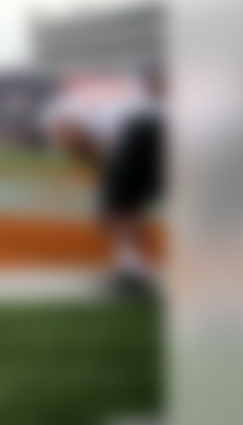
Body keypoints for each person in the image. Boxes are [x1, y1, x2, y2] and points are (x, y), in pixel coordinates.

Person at [43, 68, 166, 295]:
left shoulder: (63, 106)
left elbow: (70, 135)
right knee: (128, 206)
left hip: (137, 134)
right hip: (164, 129)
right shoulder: (125, 83)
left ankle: (132, 270)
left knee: (113, 208)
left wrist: (102, 159)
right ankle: (133, 267)